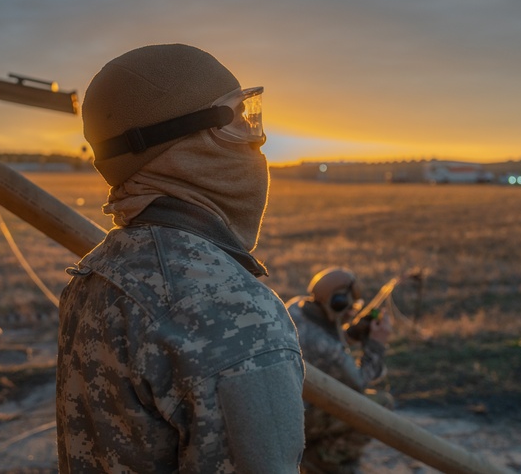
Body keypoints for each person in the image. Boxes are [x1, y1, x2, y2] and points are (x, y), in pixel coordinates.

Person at [56, 44, 306, 473]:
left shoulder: (98, 271)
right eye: (239, 120)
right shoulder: (230, 314)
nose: (256, 140)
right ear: (182, 142)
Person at [286, 267, 394, 474]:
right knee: (379, 406)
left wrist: (351, 333)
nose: (353, 311)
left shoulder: (295, 309)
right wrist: (377, 345)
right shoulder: (327, 348)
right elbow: (359, 383)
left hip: (286, 409)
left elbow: (319, 345)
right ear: (337, 304)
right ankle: (324, 460)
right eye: (350, 306)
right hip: (297, 422)